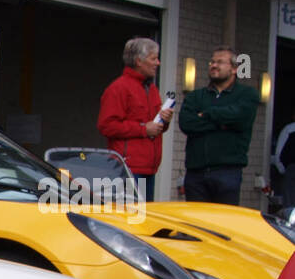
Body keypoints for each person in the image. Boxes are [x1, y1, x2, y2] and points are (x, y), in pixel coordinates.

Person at [178, 45, 260, 205]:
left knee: (222, 226)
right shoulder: (195, 96)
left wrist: (207, 114)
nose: (214, 65)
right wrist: (223, 124)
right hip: (196, 174)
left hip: (227, 172)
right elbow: (187, 124)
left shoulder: (247, 95)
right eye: (212, 62)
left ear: (234, 69)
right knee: (196, 226)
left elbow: (241, 119)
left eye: (220, 62)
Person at [96, 37, 172, 200]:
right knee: (131, 219)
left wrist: (164, 120)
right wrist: (144, 129)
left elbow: (155, 127)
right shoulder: (118, 88)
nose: (157, 63)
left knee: (142, 219)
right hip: (127, 169)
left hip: (149, 168)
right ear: (139, 61)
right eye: (153, 58)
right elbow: (106, 126)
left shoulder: (151, 88)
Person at [269, 109, 295, 211]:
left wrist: (283, 170)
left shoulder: (289, 129)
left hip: (292, 170)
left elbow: (278, 155)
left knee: (289, 205)